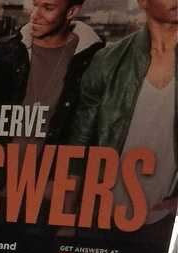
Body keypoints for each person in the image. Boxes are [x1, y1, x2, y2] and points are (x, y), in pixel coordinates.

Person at [65, 0, 177, 235]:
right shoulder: (108, 61)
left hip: (165, 222)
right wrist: (66, 218)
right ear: (142, 2)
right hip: (103, 216)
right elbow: (79, 145)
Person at [0, 0, 103, 145]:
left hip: (54, 165)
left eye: (48, 8)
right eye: (35, 5)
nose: (34, 15)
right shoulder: (2, 51)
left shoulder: (93, 60)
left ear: (71, 12)